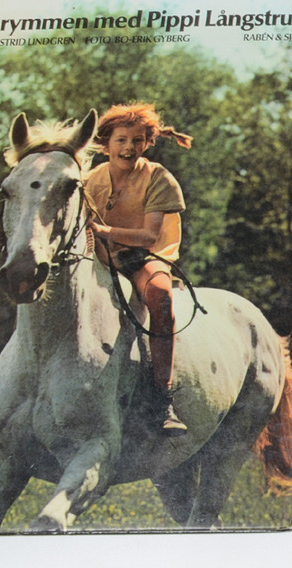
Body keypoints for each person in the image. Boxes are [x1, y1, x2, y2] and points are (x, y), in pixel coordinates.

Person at [85, 102, 195, 434]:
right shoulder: (89, 180)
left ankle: (163, 399)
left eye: (136, 140)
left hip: (143, 257)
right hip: (98, 257)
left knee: (161, 296)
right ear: (106, 144)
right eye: (121, 140)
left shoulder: (158, 177)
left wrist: (105, 231)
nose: (128, 147)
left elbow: (149, 237)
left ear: (147, 143)